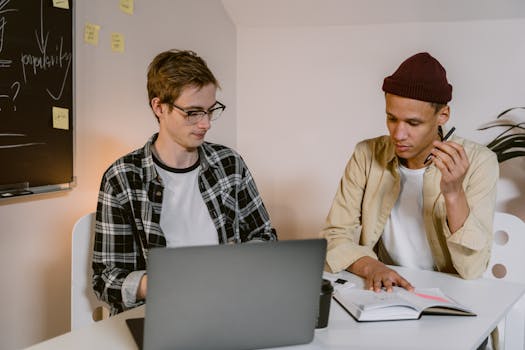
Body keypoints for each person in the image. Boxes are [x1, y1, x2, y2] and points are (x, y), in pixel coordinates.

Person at [92, 49, 277, 315]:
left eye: (210, 111)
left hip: (229, 305)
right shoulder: (123, 177)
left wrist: (241, 260)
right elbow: (105, 279)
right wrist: (161, 284)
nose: (205, 124)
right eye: (192, 113)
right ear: (159, 107)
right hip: (160, 313)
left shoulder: (229, 164)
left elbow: (266, 237)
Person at [321, 52, 498, 293]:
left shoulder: (479, 162)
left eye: (413, 123)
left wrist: (454, 194)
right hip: (386, 293)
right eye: (391, 118)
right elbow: (334, 235)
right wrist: (372, 267)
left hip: (451, 298)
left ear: (443, 115)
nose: (398, 134)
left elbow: (472, 268)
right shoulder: (367, 154)